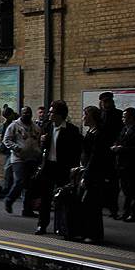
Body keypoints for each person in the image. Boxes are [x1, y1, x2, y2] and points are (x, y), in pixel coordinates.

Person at [34, 100, 82, 236]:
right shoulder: (47, 126)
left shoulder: (71, 130)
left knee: (62, 197)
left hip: (63, 167)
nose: (49, 114)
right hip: (48, 166)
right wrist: (42, 142)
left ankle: (62, 226)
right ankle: (41, 225)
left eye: (51, 112)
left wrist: (73, 168)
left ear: (60, 115)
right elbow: (42, 147)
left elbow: (76, 151)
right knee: (45, 197)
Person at [78, 106, 109, 243]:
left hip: (95, 174)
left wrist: (86, 175)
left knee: (92, 204)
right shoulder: (90, 131)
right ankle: (87, 231)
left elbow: (95, 157)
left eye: (85, 115)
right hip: (87, 170)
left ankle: (94, 234)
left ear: (91, 117)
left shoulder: (99, 134)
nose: (83, 118)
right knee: (87, 204)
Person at [2, 106, 41, 216]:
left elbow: (38, 141)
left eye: (29, 113)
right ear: (21, 114)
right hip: (18, 158)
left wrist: (38, 152)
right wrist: (15, 147)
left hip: (32, 158)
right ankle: (9, 200)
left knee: (30, 184)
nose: (27, 115)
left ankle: (27, 209)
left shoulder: (36, 127)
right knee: (20, 180)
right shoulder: (14, 125)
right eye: (24, 113)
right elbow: (6, 140)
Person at [112, 107, 135, 222]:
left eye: (124, 117)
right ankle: (126, 212)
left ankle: (134, 214)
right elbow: (118, 140)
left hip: (132, 165)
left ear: (131, 117)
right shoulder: (124, 129)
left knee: (134, 191)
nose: (122, 119)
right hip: (122, 165)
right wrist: (116, 146)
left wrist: (122, 149)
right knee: (126, 191)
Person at [98, 92, 123, 218]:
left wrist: (116, 144)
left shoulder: (119, 114)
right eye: (104, 102)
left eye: (108, 101)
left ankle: (113, 209)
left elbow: (121, 133)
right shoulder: (99, 115)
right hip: (101, 153)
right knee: (101, 182)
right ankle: (102, 206)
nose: (106, 104)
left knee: (113, 184)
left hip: (113, 154)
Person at [0, 106, 18, 197]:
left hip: (15, 149)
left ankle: (8, 189)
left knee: (8, 169)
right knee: (9, 169)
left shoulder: (16, 122)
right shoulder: (7, 122)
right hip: (9, 149)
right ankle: (9, 188)